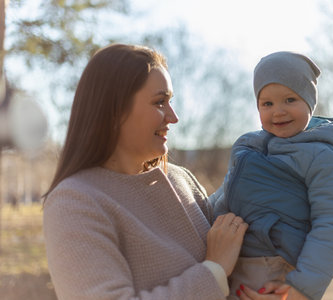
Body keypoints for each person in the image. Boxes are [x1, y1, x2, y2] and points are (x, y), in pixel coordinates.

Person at [43, 43, 249, 300]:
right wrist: (214, 270)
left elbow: (231, 274)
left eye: (170, 101)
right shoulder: (74, 202)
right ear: (115, 110)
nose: (173, 117)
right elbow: (218, 271)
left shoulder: (181, 180)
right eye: (160, 102)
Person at [211, 51, 333, 300]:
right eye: (267, 103)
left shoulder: (325, 156)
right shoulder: (249, 148)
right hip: (227, 261)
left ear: (310, 102)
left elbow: (331, 224)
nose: (278, 111)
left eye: (290, 99)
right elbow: (223, 195)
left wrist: (302, 289)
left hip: (272, 269)